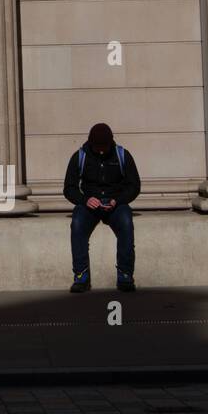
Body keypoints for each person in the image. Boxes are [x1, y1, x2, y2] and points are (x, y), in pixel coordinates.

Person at [63, 121, 141, 292]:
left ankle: (125, 274)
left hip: (116, 204)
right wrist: (85, 200)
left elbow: (134, 186)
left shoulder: (122, 155)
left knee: (126, 223)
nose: (101, 150)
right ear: (90, 143)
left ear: (111, 142)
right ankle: (81, 276)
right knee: (77, 225)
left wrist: (118, 200)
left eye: (104, 147)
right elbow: (69, 188)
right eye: (97, 147)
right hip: (89, 206)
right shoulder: (80, 156)